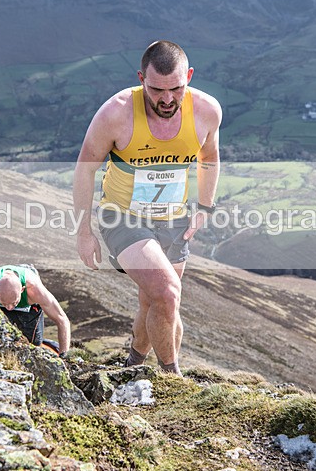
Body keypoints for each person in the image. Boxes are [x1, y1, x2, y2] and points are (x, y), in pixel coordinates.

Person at [73, 40, 222, 376]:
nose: (167, 99)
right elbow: (85, 168)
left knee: (154, 302)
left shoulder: (207, 111)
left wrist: (205, 207)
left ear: (190, 77)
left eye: (177, 89)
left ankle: (133, 366)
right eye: (156, 90)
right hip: (122, 218)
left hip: (174, 219)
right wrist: (84, 232)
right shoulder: (116, 113)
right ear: (141, 79)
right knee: (168, 293)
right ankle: (172, 377)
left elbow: (209, 158)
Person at [0, 264, 71, 356]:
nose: (10, 308)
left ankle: (50, 345)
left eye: (14, 303)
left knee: (33, 345)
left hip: (29, 309)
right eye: (5, 303)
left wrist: (64, 356)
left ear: (22, 290)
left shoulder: (34, 289)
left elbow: (62, 319)